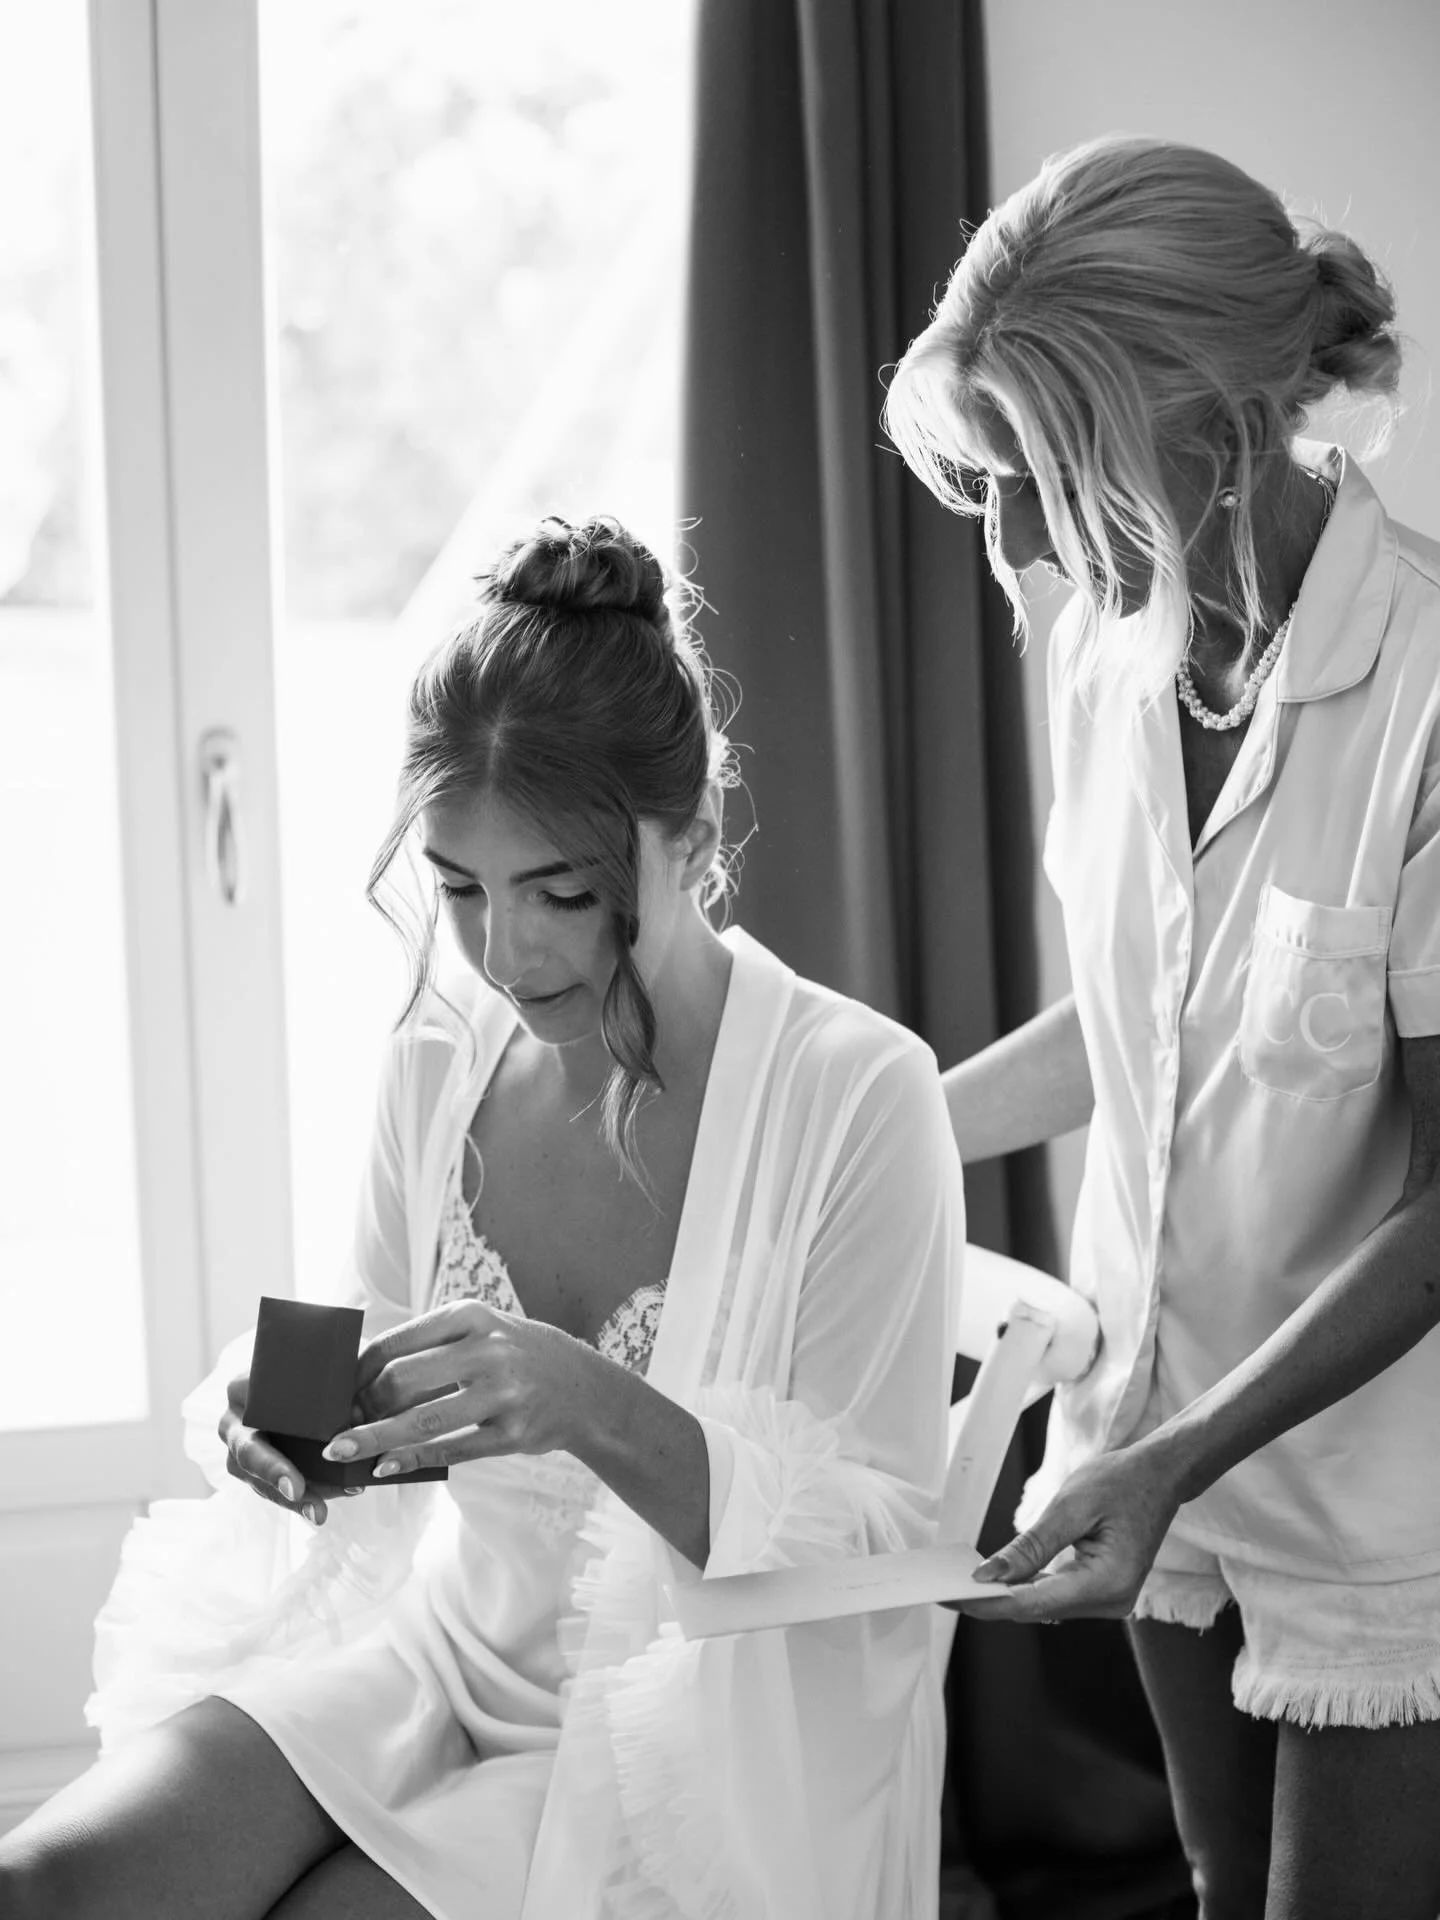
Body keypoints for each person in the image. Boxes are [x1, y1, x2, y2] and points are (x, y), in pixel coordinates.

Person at [0, 517, 962, 1920]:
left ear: (692, 842)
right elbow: (377, 1357)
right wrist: (304, 1428)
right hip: (432, 1650)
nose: (505, 953)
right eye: (458, 888)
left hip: (678, 1737)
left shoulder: (859, 1091)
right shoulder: (438, 1059)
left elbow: (882, 1544)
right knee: (45, 1883)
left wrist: (589, 1404)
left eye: (561, 893)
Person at [885, 135, 1440, 1919]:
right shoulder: (1110, 657)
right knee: (1215, 1881)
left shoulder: (1428, 692)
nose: (1013, 542)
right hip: (1148, 1420)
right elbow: (1142, 1027)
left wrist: (1172, 1458)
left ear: (1198, 433)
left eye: (1038, 479)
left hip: (1373, 1479)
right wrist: (866, 1135)